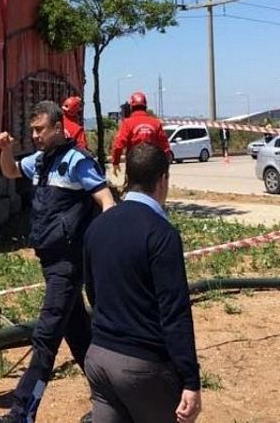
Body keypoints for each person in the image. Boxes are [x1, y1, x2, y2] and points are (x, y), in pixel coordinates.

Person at [0, 100, 115, 423]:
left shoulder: (76, 161)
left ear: (58, 128)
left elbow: (106, 201)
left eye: (40, 129)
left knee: (45, 339)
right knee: (81, 338)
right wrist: (5, 149)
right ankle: (115, 405)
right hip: (51, 264)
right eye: (32, 130)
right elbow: (11, 170)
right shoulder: (41, 162)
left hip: (68, 266)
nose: (35, 136)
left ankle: (22, 414)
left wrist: (109, 244)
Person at [83, 143, 201, 423]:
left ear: (128, 177)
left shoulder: (98, 226)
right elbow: (174, 312)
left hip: (99, 357)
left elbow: (93, 293)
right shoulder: (161, 234)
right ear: (163, 180)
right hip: (142, 366)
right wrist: (190, 380)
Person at [111, 91, 171, 176]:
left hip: (134, 164)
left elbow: (118, 145)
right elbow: (165, 147)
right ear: (145, 106)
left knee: (134, 187)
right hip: (152, 164)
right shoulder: (155, 123)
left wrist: (116, 162)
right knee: (152, 188)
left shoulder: (127, 123)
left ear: (131, 107)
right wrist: (165, 167)